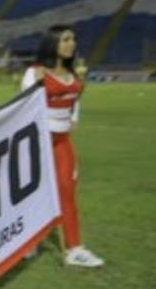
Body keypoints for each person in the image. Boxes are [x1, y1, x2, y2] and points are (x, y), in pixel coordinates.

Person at [20, 25, 103, 267]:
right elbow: (24, 108)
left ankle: (74, 248)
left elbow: (75, 99)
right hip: (39, 142)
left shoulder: (73, 74)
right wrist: (36, 86)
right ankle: (28, 241)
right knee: (33, 193)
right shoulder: (34, 73)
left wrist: (73, 118)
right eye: (65, 39)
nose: (71, 44)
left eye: (73, 39)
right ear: (52, 43)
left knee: (67, 191)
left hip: (63, 142)